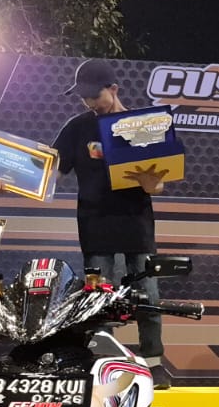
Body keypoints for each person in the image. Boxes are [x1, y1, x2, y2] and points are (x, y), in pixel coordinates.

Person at [56, 58, 173, 388]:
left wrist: (149, 181)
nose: (89, 102)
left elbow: (158, 186)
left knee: (147, 296)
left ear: (114, 89)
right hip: (95, 225)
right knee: (98, 300)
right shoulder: (76, 128)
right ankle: (104, 365)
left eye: (95, 95)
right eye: (84, 97)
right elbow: (51, 171)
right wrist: (10, 179)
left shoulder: (142, 126)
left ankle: (153, 363)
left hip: (136, 224)